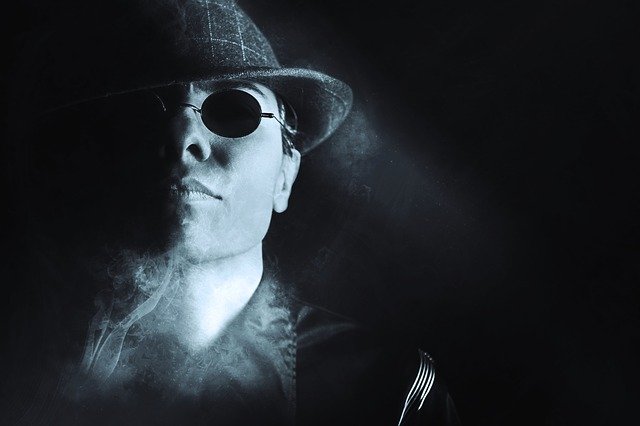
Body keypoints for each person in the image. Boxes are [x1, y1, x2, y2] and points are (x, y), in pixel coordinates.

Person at [6, 1, 460, 424]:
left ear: (285, 174)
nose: (184, 137)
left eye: (233, 110)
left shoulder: (388, 394)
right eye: (145, 113)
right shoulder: (24, 369)